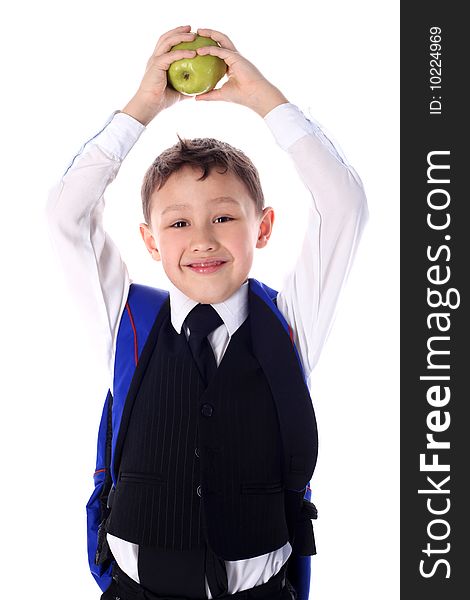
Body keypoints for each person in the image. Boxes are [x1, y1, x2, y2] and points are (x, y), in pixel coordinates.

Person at [47, 25, 368, 600]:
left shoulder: (289, 324)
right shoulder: (127, 322)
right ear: (149, 240)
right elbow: (65, 215)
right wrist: (144, 107)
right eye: (177, 223)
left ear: (262, 227)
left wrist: (262, 99)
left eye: (223, 217)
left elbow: (344, 204)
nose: (201, 240)